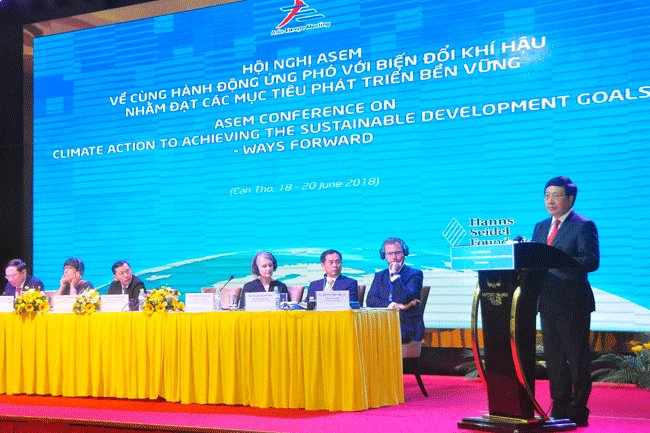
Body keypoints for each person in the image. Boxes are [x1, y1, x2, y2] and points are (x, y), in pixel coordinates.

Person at [532, 176, 599, 427]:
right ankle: (559, 407)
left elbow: (591, 260)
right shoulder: (540, 227)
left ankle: (578, 410)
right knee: (554, 359)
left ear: (570, 199)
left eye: (556, 195)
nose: (550, 200)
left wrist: (560, 261)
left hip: (572, 302)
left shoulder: (583, 225)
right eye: (547, 195)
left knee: (576, 358)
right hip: (546, 301)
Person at [366, 237, 424, 343]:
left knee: (386, 337)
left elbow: (405, 298)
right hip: (383, 322)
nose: (394, 257)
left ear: (405, 253)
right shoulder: (380, 276)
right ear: (384, 256)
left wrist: (395, 274)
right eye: (390, 253)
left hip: (405, 325)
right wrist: (395, 306)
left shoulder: (415, 274)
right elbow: (370, 300)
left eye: (398, 253)